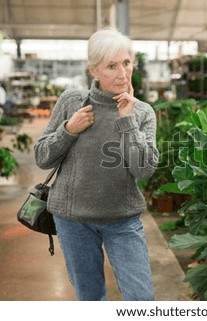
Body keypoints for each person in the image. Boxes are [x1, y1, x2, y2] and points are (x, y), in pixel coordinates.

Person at [34, 27, 159, 301]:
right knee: (90, 298)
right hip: (73, 220)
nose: (122, 73)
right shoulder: (72, 102)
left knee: (141, 299)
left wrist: (127, 120)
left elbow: (144, 169)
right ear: (94, 71)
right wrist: (69, 129)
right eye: (111, 66)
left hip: (122, 220)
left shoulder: (142, 112)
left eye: (126, 63)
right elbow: (42, 157)